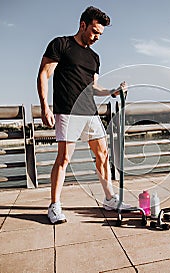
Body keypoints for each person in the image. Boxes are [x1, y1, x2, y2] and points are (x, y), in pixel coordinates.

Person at [37, 6, 130, 224]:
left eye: (100, 34)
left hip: (90, 112)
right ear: (83, 25)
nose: (97, 37)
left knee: (103, 155)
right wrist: (45, 107)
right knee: (64, 158)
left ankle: (109, 199)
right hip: (68, 111)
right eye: (95, 32)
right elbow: (44, 74)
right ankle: (54, 206)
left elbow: (93, 88)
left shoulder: (94, 57)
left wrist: (112, 92)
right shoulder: (61, 44)